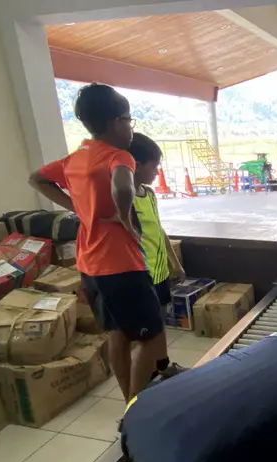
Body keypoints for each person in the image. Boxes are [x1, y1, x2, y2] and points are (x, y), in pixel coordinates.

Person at [28, 83, 180, 401]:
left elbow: (37, 178)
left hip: (90, 266)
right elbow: (123, 185)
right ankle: (137, 411)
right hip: (121, 264)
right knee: (151, 338)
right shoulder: (118, 155)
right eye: (128, 120)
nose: (130, 127)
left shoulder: (77, 157)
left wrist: (79, 209)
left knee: (118, 334)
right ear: (115, 122)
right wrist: (124, 217)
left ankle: (128, 401)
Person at [128, 132, 186, 380]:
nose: (156, 172)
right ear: (136, 164)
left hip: (160, 271)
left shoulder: (149, 194)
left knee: (160, 323)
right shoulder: (125, 198)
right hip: (142, 275)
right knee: (148, 333)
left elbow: (160, 230)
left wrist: (175, 263)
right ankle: (145, 382)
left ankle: (162, 367)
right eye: (154, 166)